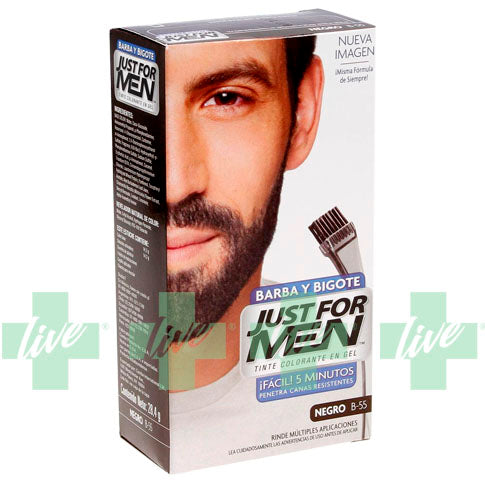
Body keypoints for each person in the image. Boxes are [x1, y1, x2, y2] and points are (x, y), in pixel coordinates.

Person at [165, 36, 323, 389]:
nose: (175, 186)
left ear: (301, 115)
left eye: (226, 98)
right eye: (130, 111)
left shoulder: (354, 376)